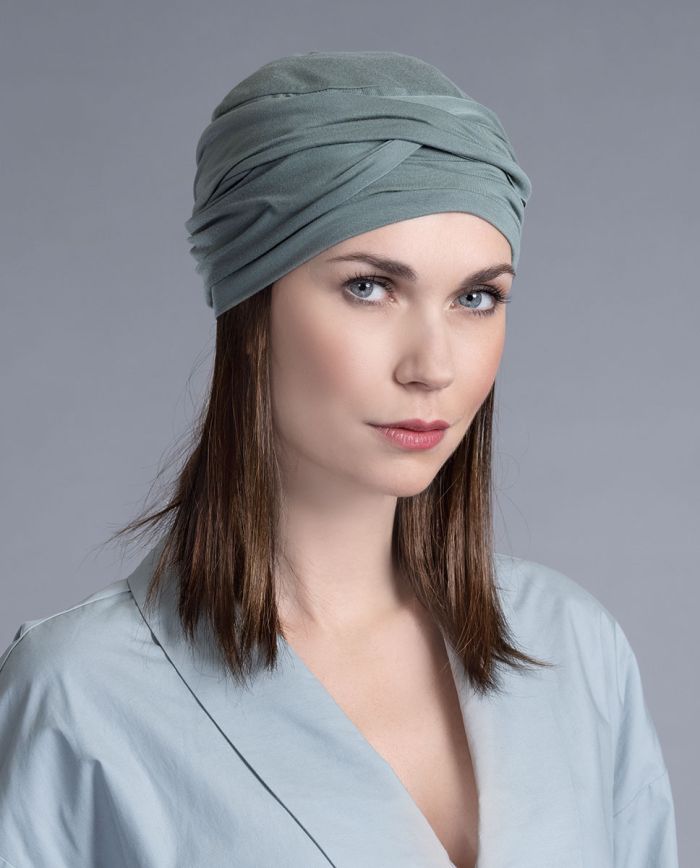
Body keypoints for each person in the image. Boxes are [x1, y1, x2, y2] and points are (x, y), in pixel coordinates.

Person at [0, 50, 678, 868]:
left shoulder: (576, 648)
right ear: (251, 306)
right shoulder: (77, 697)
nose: (433, 366)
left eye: (476, 298)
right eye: (369, 287)